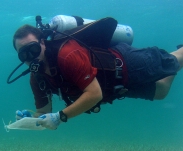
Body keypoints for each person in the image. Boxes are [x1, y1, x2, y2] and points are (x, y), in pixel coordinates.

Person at [11, 23, 183, 130]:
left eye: (33, 49)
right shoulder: (37, 78)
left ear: (42, 43)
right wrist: (30, 120)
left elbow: (94, 94)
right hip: (116, 88)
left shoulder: (67, 55)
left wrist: (60, 117)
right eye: (23, 55)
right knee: (161, 91)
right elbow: (44, 113)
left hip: (126, 63)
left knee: (172, 62)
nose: (30, 57)